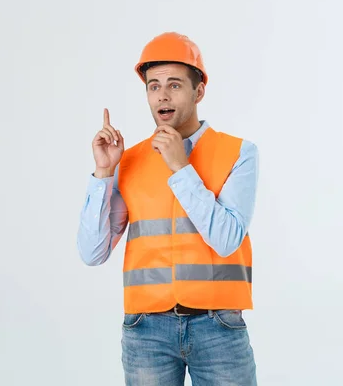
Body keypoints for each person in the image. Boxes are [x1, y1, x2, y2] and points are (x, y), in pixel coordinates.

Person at [77, 32, 259, 386]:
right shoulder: (128, 161)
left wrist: (181, 169)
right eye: (153, 85)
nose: (162, 95)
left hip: (218, 326)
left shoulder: (239, 153)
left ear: (199, 91)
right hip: (146, 331)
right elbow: (91, 252)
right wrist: (103, 174)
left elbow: (226, 240)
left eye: (175, 85)